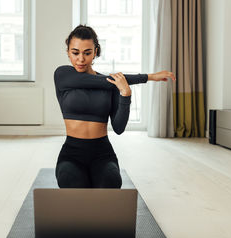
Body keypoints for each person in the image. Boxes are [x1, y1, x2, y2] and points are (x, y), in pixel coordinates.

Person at [54, 25, 176, 188]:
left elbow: (118, 128)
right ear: (68, 52)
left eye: (87, 53)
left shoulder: (110, 86)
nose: (81, 59)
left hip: (102, 153)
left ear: (95, 52)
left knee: (111, 185)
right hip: (72, 153)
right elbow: (106, 82)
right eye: (75, 53)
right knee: (73, 185)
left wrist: (126, 95)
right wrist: (149, 77)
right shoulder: (63, 75)